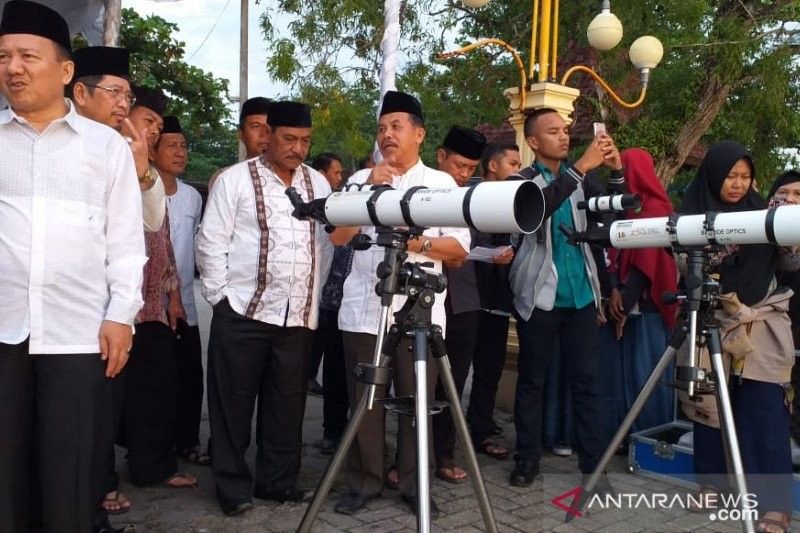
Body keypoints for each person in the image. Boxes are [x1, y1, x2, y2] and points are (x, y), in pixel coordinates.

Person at [0, 2, 146, 530]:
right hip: (4, 333)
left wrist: (121, 315)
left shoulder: (106, 148)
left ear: (65, 71)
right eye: (3, 56)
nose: (13, 67)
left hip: (79, 337)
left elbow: (128, 244)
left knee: (71, 482)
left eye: (27, 56)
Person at [330, 91, 470, 516]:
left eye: (397, 126)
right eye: (382, 127)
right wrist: (368, 191)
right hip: (363, 311)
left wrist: (417, 241)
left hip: (418, 314)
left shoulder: (442, 184)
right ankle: (364, 482)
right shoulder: (359, 180)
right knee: (364, 403)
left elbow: (459, 250)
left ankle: (415, 485)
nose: (387, 134)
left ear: (419, 134)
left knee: (416, 405)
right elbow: (337, 236)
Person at [196, 101, 333, 516]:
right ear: (268, 136)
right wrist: (221, 299)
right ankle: (232, 488)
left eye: (305, 140)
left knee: (287, 404)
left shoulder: (319, 185)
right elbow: (210, 242)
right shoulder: (235, 181)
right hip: (242, 313)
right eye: (289, 138)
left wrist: (311, 294)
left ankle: (278, 483)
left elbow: (324, 246)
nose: (297, 148)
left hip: (296, 317)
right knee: (233, 404)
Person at [679, 141, 798, 533]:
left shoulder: (767, 214)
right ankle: (711, 484)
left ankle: (774, 504)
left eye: (745, 177)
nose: (737, 184)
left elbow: (790, 262)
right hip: (711, 316)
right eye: (730, 176)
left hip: (759, 322)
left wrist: (786, 230)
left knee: (765, 408)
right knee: (708, 406)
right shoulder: (692, 214)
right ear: (714, 175)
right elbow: (684, 259)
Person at [508, 107, 626, 487]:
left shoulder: (580, 181)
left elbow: (611, 217)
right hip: (539, 298)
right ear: (532, 141)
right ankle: (526, 460)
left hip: (580, 298)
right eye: (553, 131)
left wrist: (617, 170)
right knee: (531, 383)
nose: (564, 137)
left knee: (587, 383)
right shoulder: (520, 180)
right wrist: (581, 167)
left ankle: (593, 467)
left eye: (565, 130)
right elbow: (538, 209)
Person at [121, 94, 198, 492]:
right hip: (110, 304)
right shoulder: (102, 155)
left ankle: (152, 465)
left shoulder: (145, 172)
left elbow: (161, 239)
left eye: (156, 124)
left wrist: (172, 295)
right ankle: (103, 480)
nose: (153, 130)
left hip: (150, 305)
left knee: (157, 386)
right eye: (148, 121)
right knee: (109, 393)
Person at [600, 148, 678, 445]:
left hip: (648, 307)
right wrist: (615, 295)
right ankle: (627, 438)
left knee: (648, 375)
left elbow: (647, 264)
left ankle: (651, 441)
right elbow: (613, 254)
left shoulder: (655, 208)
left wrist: (623, 304)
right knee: (626, 377)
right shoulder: (627, 207)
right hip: (626, 302)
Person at [431, 125, 490, 485]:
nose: (464, 174)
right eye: (459, 164)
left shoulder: (476, 196)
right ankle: (408, 459)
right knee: (416, 384)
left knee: (453, 383)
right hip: (422, 299)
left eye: (471, 168)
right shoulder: (417, 187)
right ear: (440, 155)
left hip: (465, 303)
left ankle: (444, 454)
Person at [151, 116, 208, 466]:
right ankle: (154, 448)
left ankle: (187, 442)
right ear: (153, 151)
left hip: (186, 301)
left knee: (189, 377)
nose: (180, 152)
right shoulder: (140, 191)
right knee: (157, 381)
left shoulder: (191, 198)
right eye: (171, 145)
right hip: (149, 307)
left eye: (183, 145)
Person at [70, 46, 166, 232]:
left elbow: (152, 222)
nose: (124, 104)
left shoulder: (124, 151)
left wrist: (143, 174)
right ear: (81, 93)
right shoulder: (48, 138)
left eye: (128, 97)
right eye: (114, 91)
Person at [466, 142, 521, 453]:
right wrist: (486, 256)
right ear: (492, 167)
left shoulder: (517, 201)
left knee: (490, 367)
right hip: (468, 296)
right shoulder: (470, 198)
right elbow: (459, 244)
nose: (517, 170)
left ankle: (481, 428)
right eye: (512, 164)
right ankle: (442, 432)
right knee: (456, 369)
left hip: (499, 298)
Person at [306, 151, 346, 399]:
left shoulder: (339, 203)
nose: (340, 178)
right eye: (337, 172)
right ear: (321, 174)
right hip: (317, 288)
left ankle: (308, 375)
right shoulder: (308, 206)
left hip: (328, 290)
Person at [208, 96, 270, 189]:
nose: (264, 133)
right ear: (241, 134)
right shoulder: (226, 178)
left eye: (269, 127)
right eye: (256, 126)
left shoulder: (293, 178)